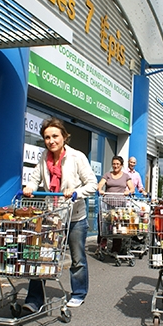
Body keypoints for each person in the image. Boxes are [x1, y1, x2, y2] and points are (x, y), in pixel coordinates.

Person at [22, 118, 98, 310]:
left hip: (74, 217)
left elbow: (92, 184)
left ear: (64, 137)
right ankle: (34, 300)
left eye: (55, 136)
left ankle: (79, 292)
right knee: (42, 257)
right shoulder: (44, 157)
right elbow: (35, 178)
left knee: (77, 257)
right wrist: (30, 187)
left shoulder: (76, 157)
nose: (51, 141)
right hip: (52, 217)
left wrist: (75, 193)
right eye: (47, 137)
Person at [97, 156, 135, 254]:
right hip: (107, 203)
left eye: (118, 164)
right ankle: (101, 244)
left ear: (121, 165)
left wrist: (128, 191)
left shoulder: (126, 176)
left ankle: (115, 248)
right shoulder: (107, 175)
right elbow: (100, 184)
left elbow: (132, 188)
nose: (115, 166)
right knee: (103, 224)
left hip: (119, 204)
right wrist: (100, 189)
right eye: (114, 164)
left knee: (118, 225)